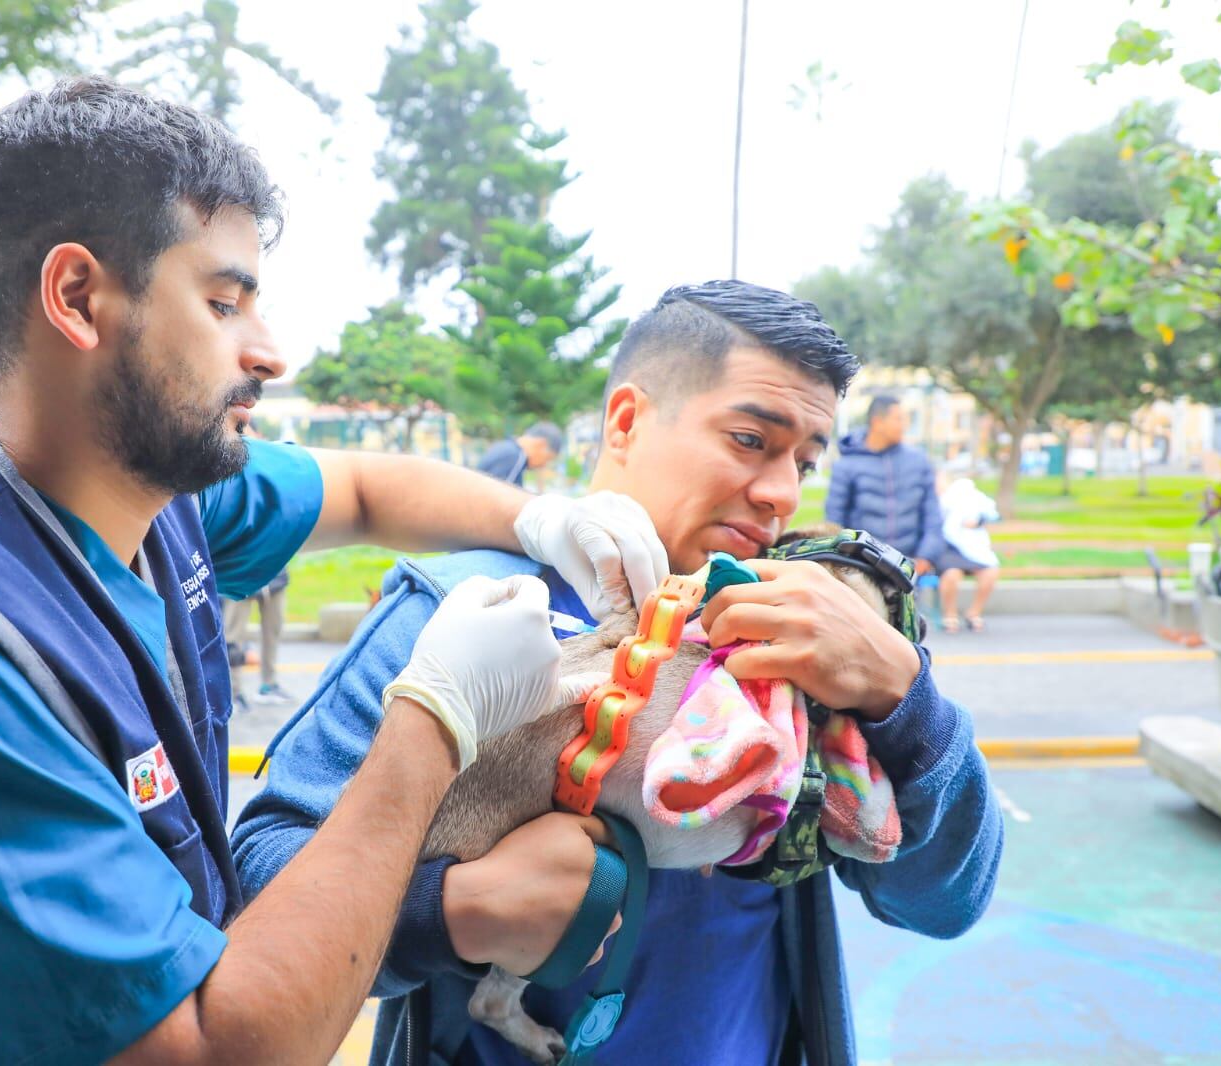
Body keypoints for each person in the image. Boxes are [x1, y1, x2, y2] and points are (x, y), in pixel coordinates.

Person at [0, 78, 670, 1065]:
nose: (270, 352)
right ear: (78, 299)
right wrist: (434, 719)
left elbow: (356, 487)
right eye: (223, 303)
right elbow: (203, 1052)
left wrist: (542, 516)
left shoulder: (141, 482)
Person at [234, 281, 1003, 1066]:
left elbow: (947, 903)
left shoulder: (811, 622)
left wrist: (902, 697)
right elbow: (258, 881)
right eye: (749, 440)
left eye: (805, 460)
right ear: (627, 421)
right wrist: (453, 912)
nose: (781, 492)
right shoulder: (463, 611)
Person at [825, 395, 945, 577]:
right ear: (877, 422)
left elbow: (932, 516)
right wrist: (848, 561)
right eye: (898, 419)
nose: (904, 425)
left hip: (910, 567)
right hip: (862, 568)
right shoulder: (847, 465)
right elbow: (834, 519)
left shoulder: (918, 462)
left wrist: (925, 557)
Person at [937, 475, 1001, 633]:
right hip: (948, 548)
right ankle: (950, 615)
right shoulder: (938, 501)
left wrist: (978, 521)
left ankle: (974, 613)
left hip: (973, 549)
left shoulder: (972, 498)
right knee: (952, 574)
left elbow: (992, 514)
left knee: (990, 572)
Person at [223, 567, 292, 707]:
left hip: (275, 573)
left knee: (273, 632)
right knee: (233, 638)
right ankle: (233, 692)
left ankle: (269, 685)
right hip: (240, 574)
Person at [475, 421, 565, 486]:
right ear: (541, 444)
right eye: (548, 458)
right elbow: (499, 500)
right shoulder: (515, 457)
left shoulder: (508, 448)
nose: (544, 465)